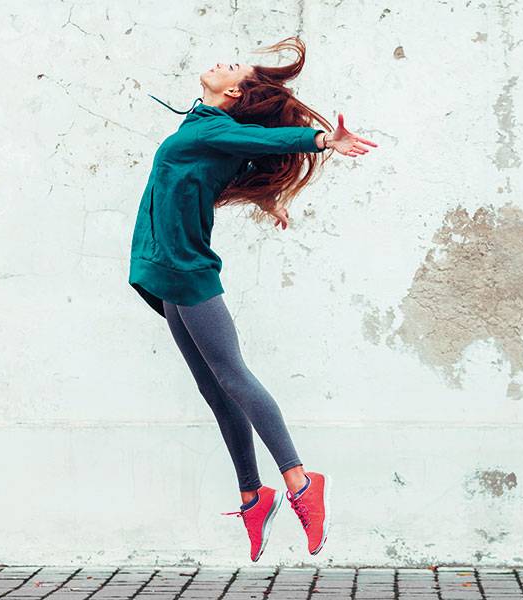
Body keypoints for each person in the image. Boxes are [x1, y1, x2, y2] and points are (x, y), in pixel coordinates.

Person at [127, 36, 377, 562]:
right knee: (215, 389)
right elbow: (220, 168)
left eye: (233, 66)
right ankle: (252, 496)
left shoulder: (215, 128)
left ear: (235, 91)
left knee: (233, 376)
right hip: (166, 267)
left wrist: (321, 141)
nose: (223, 61)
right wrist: (266, 198)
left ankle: (301, 481)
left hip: (187, 269)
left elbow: (263, 142)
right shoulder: (203, 127)